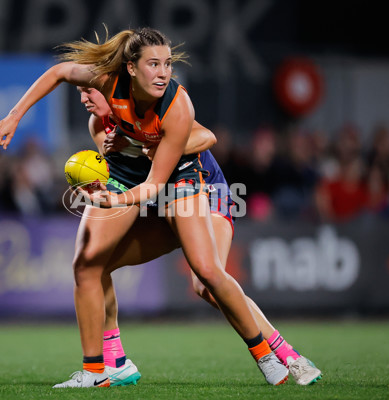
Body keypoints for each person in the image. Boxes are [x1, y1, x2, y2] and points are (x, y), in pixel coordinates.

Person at [0, 27, 289, 388]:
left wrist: (118, 196)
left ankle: (270, 354)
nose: (163, 72)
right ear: (130, 69)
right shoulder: (105, 94)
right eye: (153, 64)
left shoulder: (178, 106)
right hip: (137, 187)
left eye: (166, 64)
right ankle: (96, 371)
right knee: (87, 264)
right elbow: (58, 72)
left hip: (183, 181)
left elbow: (160, 180)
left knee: (207, 273)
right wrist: (14, 116)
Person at [77, 85, 322, 386]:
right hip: (161, 201)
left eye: (89, 91)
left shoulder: (148, 108)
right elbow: (128, 179)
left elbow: (206, 137)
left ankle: (289, 356)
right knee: (97, 262)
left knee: (205, 281)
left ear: (108, 89)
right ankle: (116, 362)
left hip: (206, 191)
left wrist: (146, 146)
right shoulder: (100, 127)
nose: (84, 99)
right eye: (80, 91)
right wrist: (101, 189)